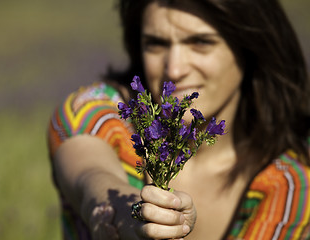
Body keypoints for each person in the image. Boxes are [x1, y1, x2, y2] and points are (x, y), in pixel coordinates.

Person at [47, 0, 310, 239]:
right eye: (156, 43)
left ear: (248, 48)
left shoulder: (292, 181)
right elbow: (90, 174)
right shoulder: (95, 110)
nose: (174, 69)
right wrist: (130, 216)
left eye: (201, 42)